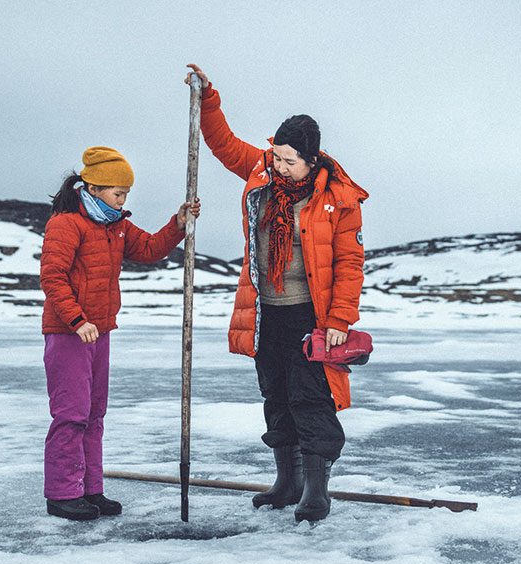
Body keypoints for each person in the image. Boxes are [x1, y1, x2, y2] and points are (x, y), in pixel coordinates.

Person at [185, 64, 367, 522]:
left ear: (312, 158)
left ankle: (316, 491)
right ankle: (287, 482)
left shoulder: (337, 199)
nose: (279, 166)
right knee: (276, 395)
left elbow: (349, 265)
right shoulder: (263, 173)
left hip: (312, 315)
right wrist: (208, 100)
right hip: (266, 312)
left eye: (289, 160)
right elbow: (223, 145)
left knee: (311, 398)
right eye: (277, 156)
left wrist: (340, 322)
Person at [39, 146, 201, 521]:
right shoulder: (66, 223)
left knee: (94, 414)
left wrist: (176, 224)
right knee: (71, 415)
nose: (123, 199)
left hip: (100, 332)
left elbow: (148, 248)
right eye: (118, 192)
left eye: (126, 193)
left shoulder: (116, 224)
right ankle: (62, 494)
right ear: (94, 188)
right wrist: (78, 321)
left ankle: (90, 490)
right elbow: (52, 277)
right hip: (69, 334)